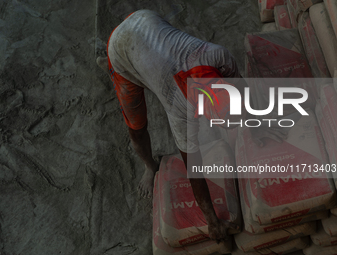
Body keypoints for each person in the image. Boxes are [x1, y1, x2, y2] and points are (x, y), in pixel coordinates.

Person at [97, 9, 287, 243]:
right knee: (136, 126)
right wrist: (212, 220)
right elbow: (194, 170)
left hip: (146, 19)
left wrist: (256, 126)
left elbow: (242, 90)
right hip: (122, 52)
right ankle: (149, 165)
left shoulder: (218, 56)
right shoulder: (181, 111)